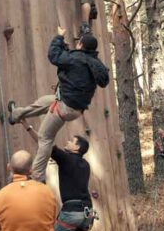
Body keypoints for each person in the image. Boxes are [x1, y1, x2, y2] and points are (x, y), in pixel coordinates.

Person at [7, 29, 109, 182]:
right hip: (71, 106)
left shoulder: (76, 59)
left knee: (45, 138)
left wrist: (59, 37)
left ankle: (37, 176)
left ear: (81, 44)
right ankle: (16, 114)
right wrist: (65, 47)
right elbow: (76, 64)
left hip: (64, 107)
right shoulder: (95, 63)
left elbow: (54, 56)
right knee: (43, 103)